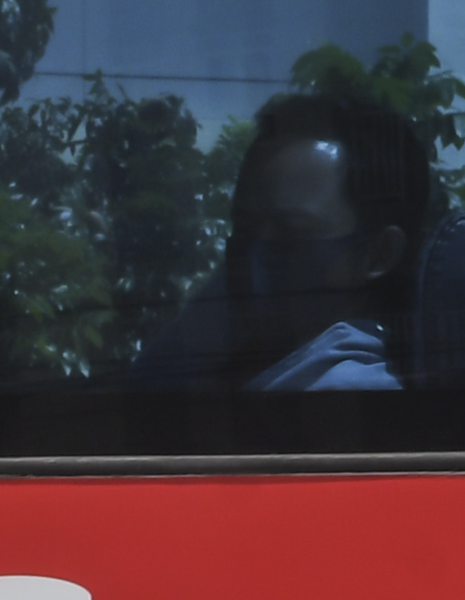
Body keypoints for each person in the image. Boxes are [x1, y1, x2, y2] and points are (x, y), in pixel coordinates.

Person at [137, 89, 444, 393]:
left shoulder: (350, 397)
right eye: (245, 228)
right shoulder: (249, 358)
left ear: (379, 254)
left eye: (291, 233)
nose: (253, 256)